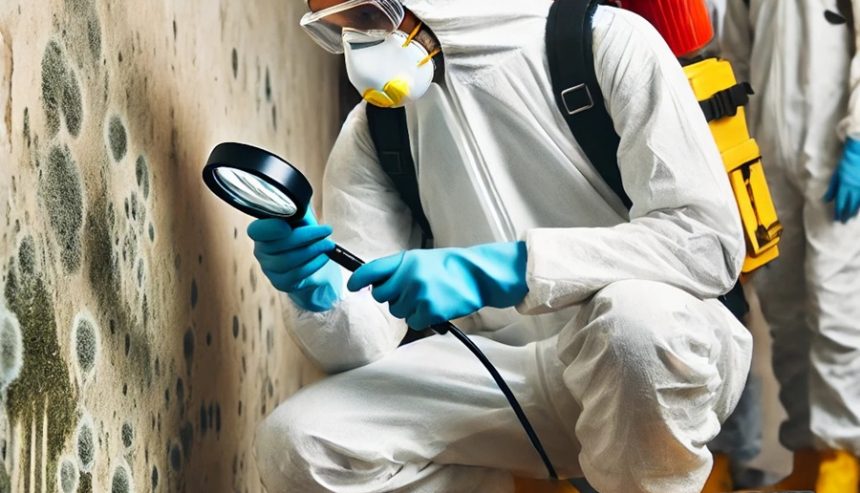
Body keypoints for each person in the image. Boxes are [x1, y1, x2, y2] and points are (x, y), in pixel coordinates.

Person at [251, 0, 753, 491]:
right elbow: (359, 347)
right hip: (510, 377)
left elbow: (705, 241)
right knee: (299, 445)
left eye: (367, 17)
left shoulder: (603, 41)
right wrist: (319, 295)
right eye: (338, 30)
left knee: (633, 324)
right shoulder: (378, 128)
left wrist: (506, 268)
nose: (360, 50)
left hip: (659, 365)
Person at [720, 1, 860, 491]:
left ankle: (843, 453)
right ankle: (807, 449)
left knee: (837, 308)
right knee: (783, 310)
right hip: (765, 154)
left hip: (835, 150)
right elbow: (734, 55)